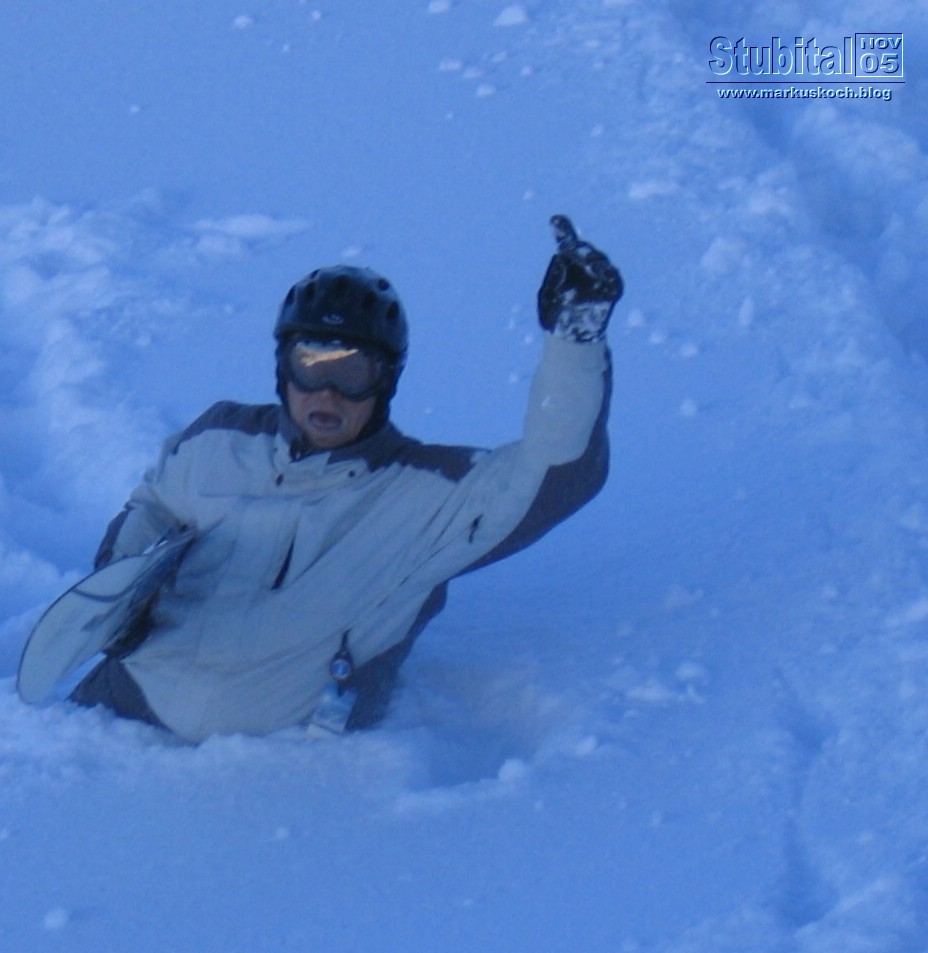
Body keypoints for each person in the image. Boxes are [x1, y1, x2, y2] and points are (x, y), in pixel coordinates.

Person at [72, 215, 622, 742]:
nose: (327, 393)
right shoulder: (218, 439)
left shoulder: (425, 495)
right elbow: (153, 507)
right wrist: (120, 597)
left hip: (288, 762)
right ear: (284, 368)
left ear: (385, 382)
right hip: (127, 709)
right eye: (311, 364)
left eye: (352, 371)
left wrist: (574, 342)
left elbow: (555, 472)